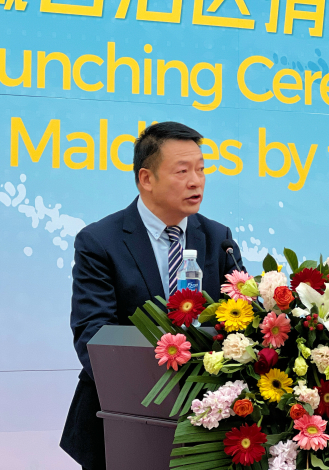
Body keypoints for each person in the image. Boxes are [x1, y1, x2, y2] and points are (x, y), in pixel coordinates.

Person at [60, 121, 244, 470]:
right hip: (121, 419)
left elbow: (240, 320)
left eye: (201, 169)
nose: (196, 181)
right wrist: (155, 393)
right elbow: (93, 334)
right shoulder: (101, 241)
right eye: (183, 171)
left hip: (206, 424)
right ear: (146, 178)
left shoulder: (218, 238)